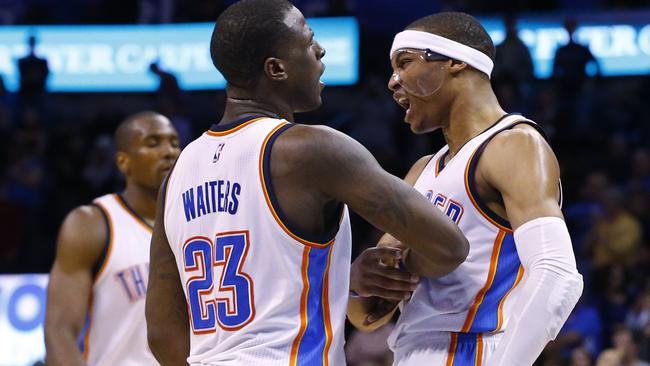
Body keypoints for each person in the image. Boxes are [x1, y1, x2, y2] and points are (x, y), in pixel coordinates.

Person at [145, 1, 469, 365]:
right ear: (276, 69)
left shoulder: (178, 174)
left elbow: (161, 331)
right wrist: (393, 269)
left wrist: (341, 278)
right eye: (308, 40)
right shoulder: (312, 150)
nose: (320, 50)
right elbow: (448, 245)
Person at [347, 12, 584, 365]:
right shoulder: (422, 170)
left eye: (405, 63)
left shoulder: (513, 145)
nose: (392, 82)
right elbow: (367, 315)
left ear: (456, 61)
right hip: (411, 350)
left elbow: (557, 274)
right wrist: (361, 280)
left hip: (474, 348)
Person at [44, 112, 181, 365]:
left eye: (174, 143)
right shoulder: (92, 224)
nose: (169, 152)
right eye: (153, 143)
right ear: (123, 162)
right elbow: (59, 332)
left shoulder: (200, 222)